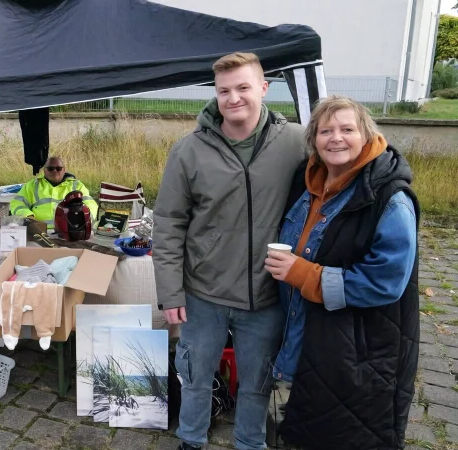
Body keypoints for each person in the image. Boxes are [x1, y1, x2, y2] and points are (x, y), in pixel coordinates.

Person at [152, 52, 307, 450]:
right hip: (204, 292)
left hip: (267, 293)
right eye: (224, 91)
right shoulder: (188, 150)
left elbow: (341, 170)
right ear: (215, 94)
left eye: (243, 87)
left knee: (257, 382)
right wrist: (170, 292)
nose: (234, 98)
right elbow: (169, 224)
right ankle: (190, 440)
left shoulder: (295, 142)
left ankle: (250, 443)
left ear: (263, 88)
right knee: (195, 376)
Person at [265, 95, 419, 450]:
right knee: (294, 427)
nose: (336, 138)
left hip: (354, 347)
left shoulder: (389, 199)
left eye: (347, 129)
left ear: (365, 135)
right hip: (301, 338)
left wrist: (306, 275)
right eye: (326, 130)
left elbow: (385, 282)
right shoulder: (304, 184)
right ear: (313, 139)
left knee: (339, 433)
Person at [10, 156, 98, 225]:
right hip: (38, 231)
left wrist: (81, 219)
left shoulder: (77, 185)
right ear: (44, 170)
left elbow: (91, 204)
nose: (55, 171)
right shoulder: (32, 185)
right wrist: (27, 216)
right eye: (50, 169)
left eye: (59, 168)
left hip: (70, 230)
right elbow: (17, 203)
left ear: (64, 170)